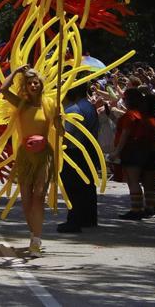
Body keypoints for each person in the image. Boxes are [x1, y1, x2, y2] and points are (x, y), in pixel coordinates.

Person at [0, 65, 60, 257]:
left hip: (44, 155)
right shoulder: (21, 104)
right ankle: (34, 232)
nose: (34, 85)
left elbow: (61, 131)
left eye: (36, 82)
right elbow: (3, 89)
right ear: (26, 86)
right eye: (30, 83)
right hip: (25, 155)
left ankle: (36, 240)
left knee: (39, 195)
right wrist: (17, 71)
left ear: (41, 85)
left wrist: (59, 122)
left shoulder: (51, 105)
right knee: (26, 199)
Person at [57, 85, 99, 233]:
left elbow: (66, 136)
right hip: (87, 150)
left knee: (73, 188)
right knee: (87, 187)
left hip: (75, 152)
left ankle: (74, 220)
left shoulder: (73, 110)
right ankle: (88, 218)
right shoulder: (88, 106)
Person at [115, 85, 155, 219]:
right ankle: (151, 207)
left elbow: (125, 134)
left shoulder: (131, 115)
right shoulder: (151, 117)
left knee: (133, 180)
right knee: (150, 182)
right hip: (152, 151)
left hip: (134, 151)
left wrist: (117, 152)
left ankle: (137, 210)